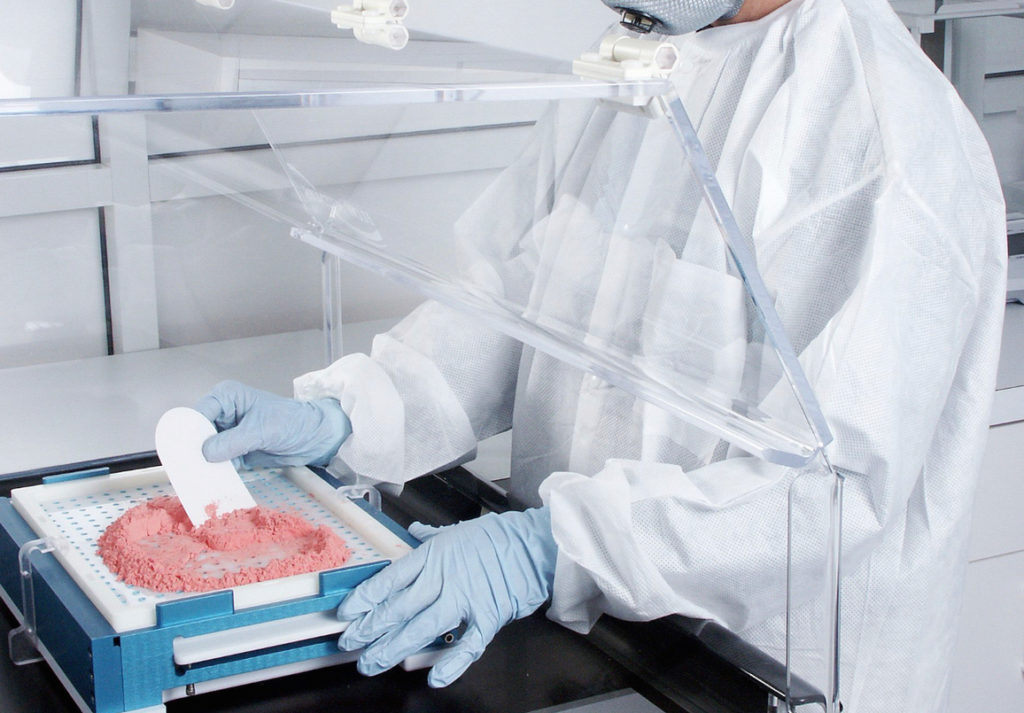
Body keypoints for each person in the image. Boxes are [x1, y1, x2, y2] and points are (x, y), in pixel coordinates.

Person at [195, 0, 1007, 710]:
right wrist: (353, 411)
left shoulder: (886, 142)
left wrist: (554, 545)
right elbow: (515, 297)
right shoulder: (638, 68)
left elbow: (832, 490)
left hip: (760, 674)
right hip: (592, 648)